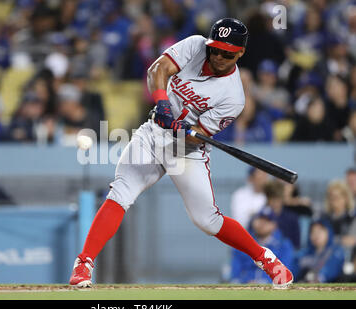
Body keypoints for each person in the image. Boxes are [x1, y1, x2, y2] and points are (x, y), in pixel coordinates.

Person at [69, 18, 294, 288]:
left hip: (186, 149)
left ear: (241, 53)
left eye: (228, 52)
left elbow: (200, 131)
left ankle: (266, 259)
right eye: (216, 49)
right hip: (153, 132)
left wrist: (184, 129)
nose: (219, 56)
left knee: (207, 220)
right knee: (121, 191)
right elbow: (157, 70)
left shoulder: (234, 97)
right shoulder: (196, 45)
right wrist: (162, 104)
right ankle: (84, 263)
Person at [230, 209, 295, 284]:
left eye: (267, 221)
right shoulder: (242, 243)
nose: (262, 224)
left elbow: (284, 274)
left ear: (274, 225)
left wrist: (263, 283)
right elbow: (235, 273)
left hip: (271, 291)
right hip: (245, 288)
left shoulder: (283, 245)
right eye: (260, 219)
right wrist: (245, 282)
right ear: (253, 222)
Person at [292, 218, 346, 283]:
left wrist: (316, 279)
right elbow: (294, 270)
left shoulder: (336, 251)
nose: (316, 235)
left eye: (319, 231)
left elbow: (330, 271)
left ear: (328, 232)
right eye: (313, 232)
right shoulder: (305, 253)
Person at [262, 180, 301, 250]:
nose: (275, 202)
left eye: (277, 198)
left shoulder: (292, 219)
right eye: (272, 198)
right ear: (268, 199)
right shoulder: (260, 217)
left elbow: (296, 246)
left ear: (282, 198)